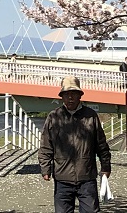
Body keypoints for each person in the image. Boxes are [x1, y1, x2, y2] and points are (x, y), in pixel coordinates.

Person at [39, 76, 111, 213]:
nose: (70, 97)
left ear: (80, 95)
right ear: (62, 97)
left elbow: (101, 144)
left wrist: (106, 166)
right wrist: (45, 168)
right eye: (66, 94)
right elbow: (45, 145)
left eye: (73, 94)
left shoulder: (91, 116)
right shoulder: (54, 117)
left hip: (87, 177)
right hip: (62, 178)